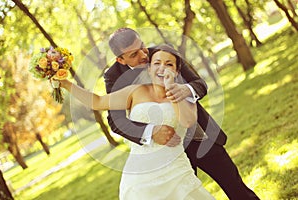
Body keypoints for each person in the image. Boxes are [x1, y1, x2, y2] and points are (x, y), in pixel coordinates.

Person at [104, 28, 260, 200]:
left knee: (236, 188)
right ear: (120, 59)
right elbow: (115, 120)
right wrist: (151, 132)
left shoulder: (164, 53)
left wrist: (185, 89)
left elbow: (199, 83)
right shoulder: (113, 76)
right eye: (134, 54)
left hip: (199, 137)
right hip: (167, 152)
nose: (143, 55)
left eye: (142, 46)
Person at [58, 44, 215, 199]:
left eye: (169, 64)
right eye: (157, 63)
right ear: (149, 68)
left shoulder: (182, 95)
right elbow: (97, 102)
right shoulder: (135, 92)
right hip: (140, 178)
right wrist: (66, 83)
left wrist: (171, 88)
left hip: (177, 172)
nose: (162, 68)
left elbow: (188, 121)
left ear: (176, 71)